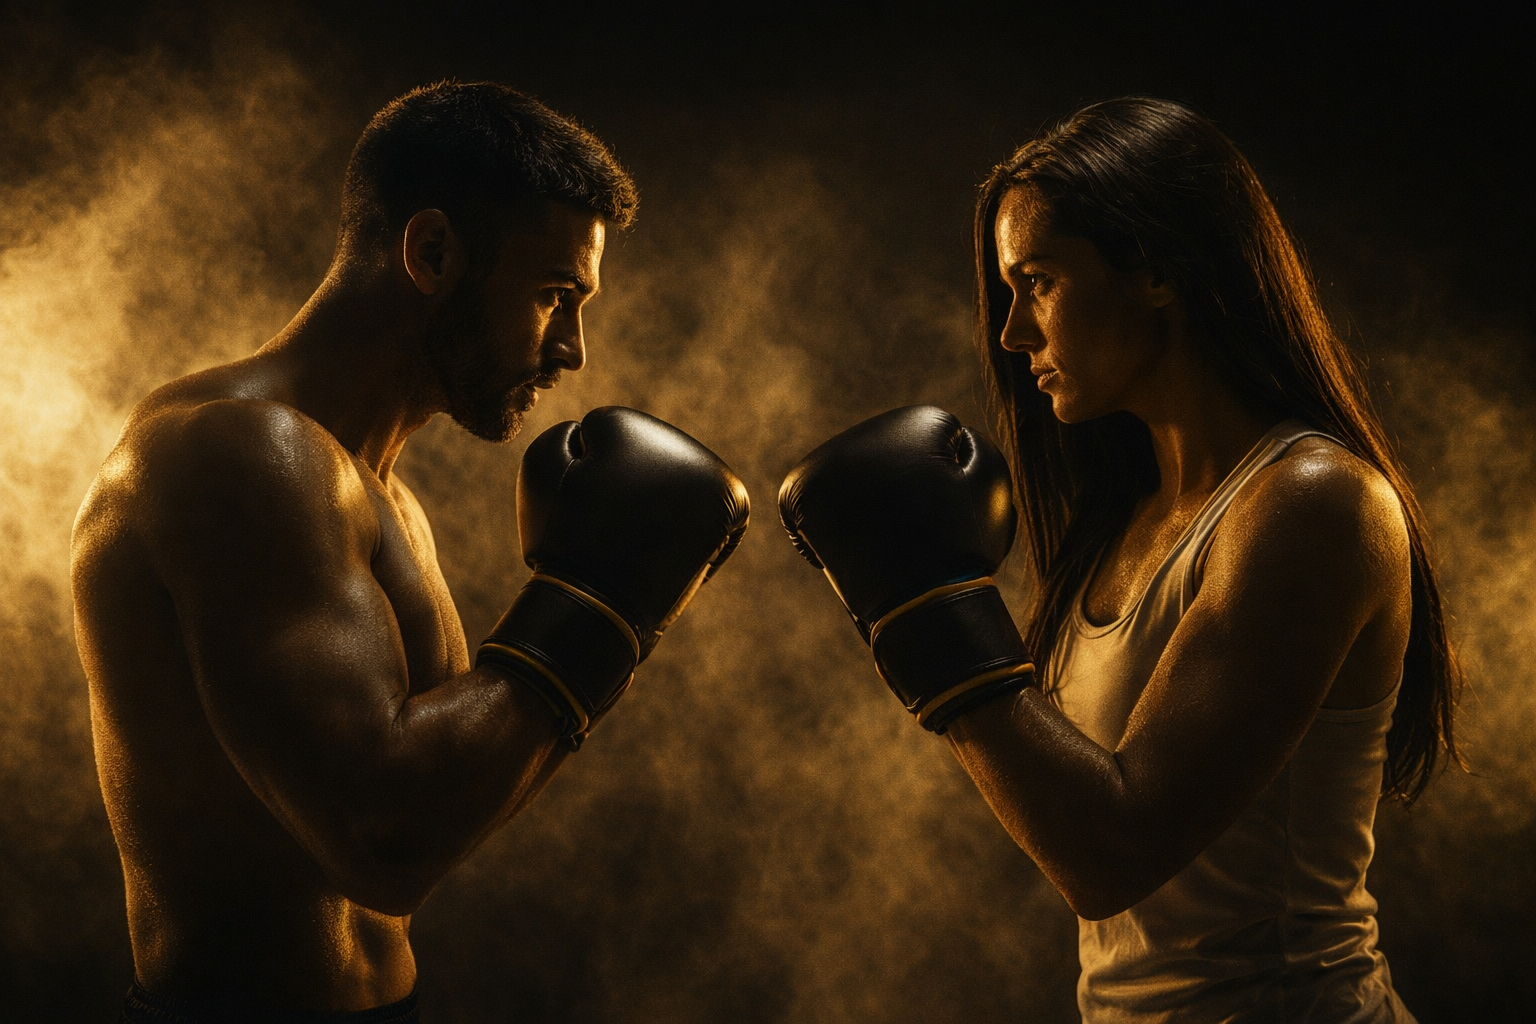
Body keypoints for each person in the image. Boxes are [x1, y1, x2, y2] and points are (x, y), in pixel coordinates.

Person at [72, 81, 749, 1022]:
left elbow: (449, 806)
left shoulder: (382, 494)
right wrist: (598, 600)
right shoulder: (238, 452)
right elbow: (382, 840)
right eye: (555, 296)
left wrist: (613, 612)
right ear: (431, 253)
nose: (574, 351)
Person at [779, 97, 1458, 1021]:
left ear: (1156, 270)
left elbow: (1113, 853)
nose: (1013, 333)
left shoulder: (1312, 502)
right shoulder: (1123, 521)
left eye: (1039, 281)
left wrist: (928, 610)